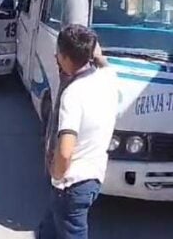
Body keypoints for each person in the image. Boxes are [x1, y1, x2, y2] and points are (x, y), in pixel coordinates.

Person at [38, 25, 118, 239]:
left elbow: (65, 151)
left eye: (58, 53)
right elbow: (102, 60)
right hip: (92, 178)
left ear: (63, 57)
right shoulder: (108, 78)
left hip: (71, 185)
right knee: (47, 231)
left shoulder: (73, 95)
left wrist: (56, 175)